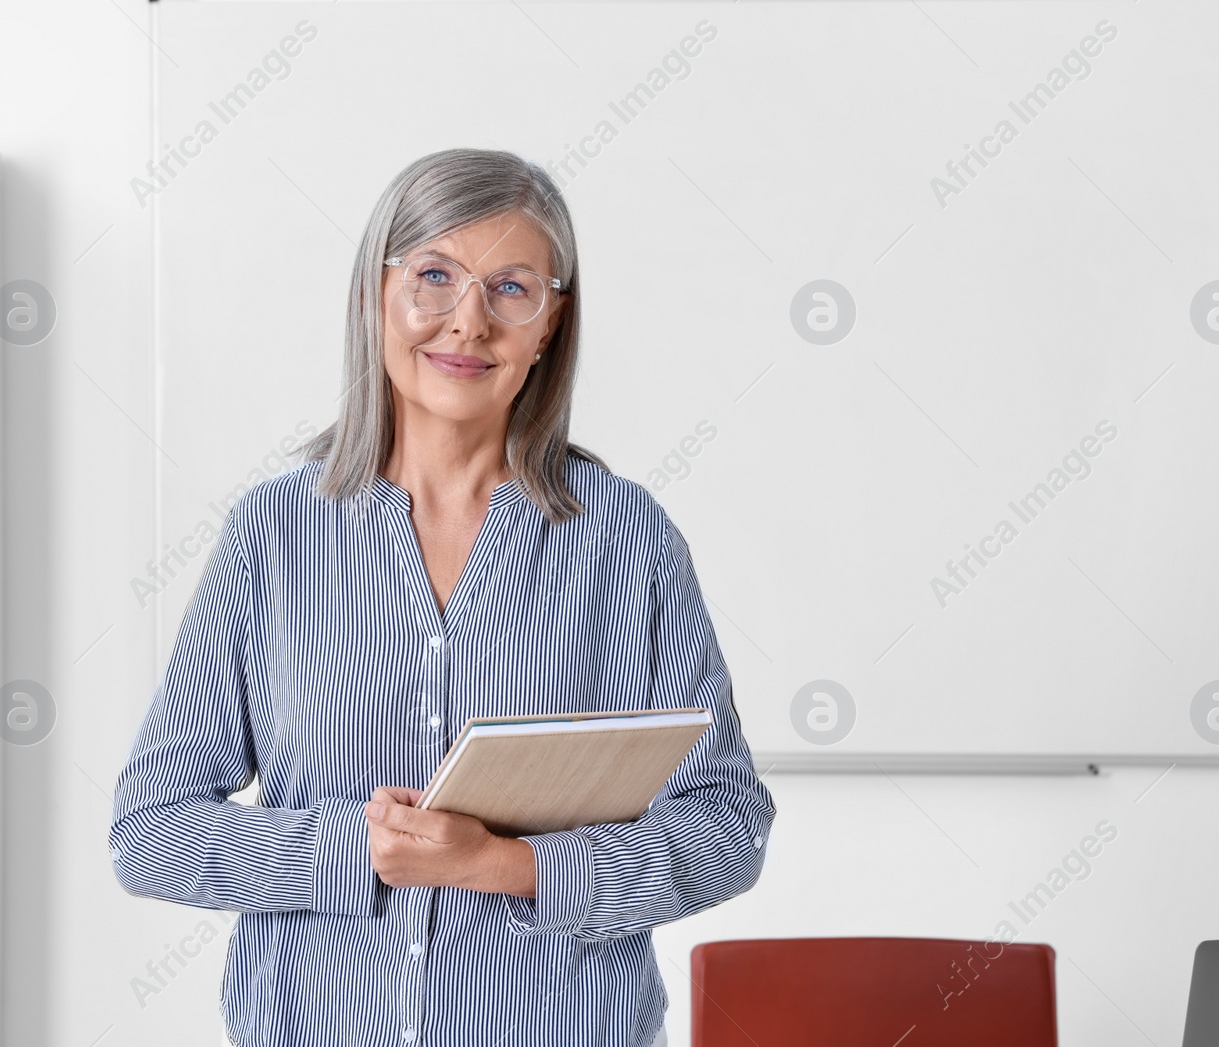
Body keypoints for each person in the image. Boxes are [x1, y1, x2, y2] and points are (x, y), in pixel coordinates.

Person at [108, 148, 776, 1047]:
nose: (468, 323)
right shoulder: (275, 533)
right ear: (373, 295)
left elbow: (728, 826)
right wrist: (353, 852)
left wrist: (514, 866)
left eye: (511, 288)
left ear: (550, 325)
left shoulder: (624, 537)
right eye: (433, 276)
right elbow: (149, 832)